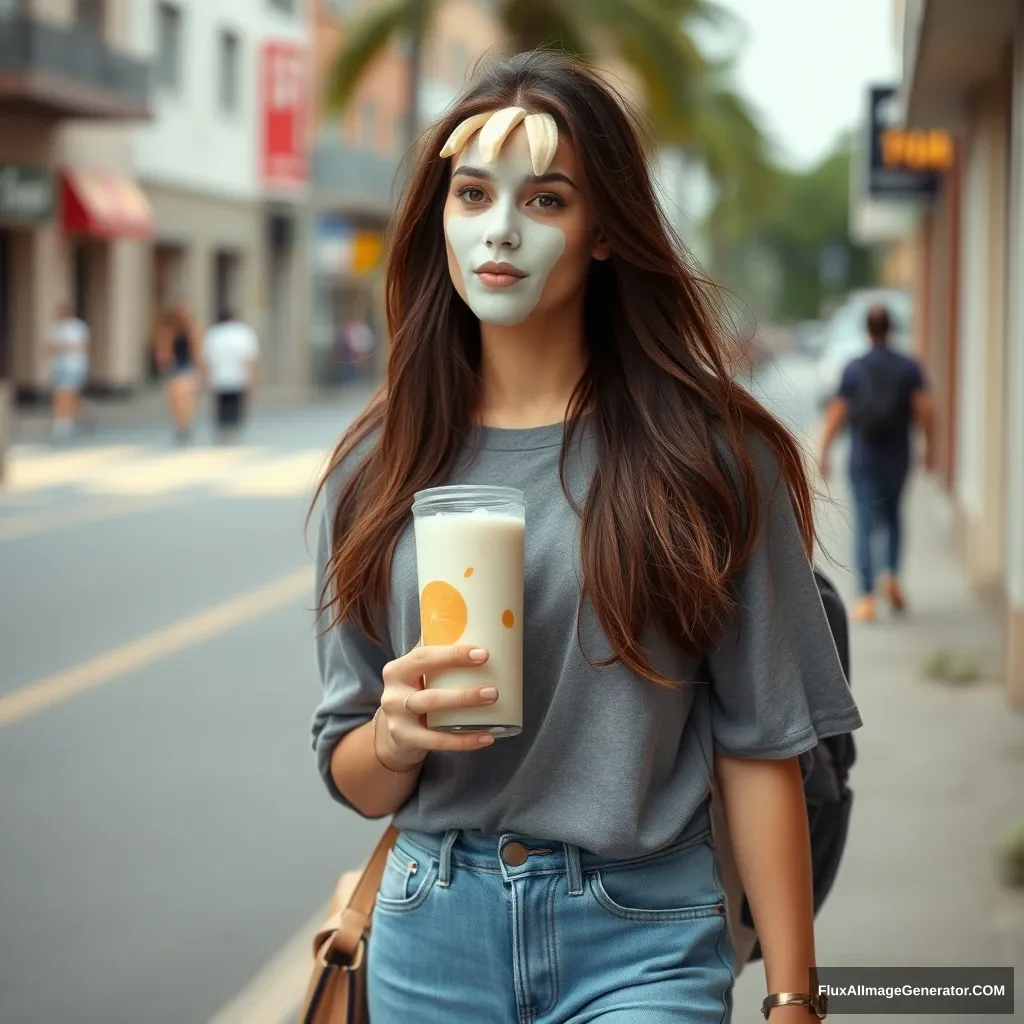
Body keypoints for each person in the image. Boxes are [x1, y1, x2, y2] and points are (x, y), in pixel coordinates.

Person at [311, 52, 861, 1024]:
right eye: (472, 193)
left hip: (644, 932)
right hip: (430, 929)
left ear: (604, 230)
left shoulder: (710, 453)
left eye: (547, 200)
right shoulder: (380, 465)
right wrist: (393, 736)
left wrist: (792, 994)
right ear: (440, 215)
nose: (500, 230)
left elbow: (760, 743)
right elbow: (349, 768)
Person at [818, 303, 934, 623]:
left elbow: (837, 413)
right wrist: (930, 446)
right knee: (894, 516)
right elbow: (925, 408)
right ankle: (893, 575)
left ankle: (868, 597)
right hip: (898, 455)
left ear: (867, 330)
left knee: (865, 524)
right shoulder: (909, 366)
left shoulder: (854, 368)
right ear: (891, 329)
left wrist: (824, 452)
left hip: (863, 456)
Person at [201, 308, 258, 441]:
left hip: (218, 377)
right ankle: (234, 430)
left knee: (222, 405)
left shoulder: (213, 333)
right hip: (238, 377)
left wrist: (206, 378)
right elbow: (248, 359)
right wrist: (251, 378)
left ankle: (223, 430)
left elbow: (206, 359)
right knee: (236, 404)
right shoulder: (243, 333)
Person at [154, 301, 200, 443]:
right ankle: (180, 423)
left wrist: (200, 369)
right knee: (174, 398)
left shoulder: (192, 328)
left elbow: (197, 349)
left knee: (185, 395)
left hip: (187, 366)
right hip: (173, 367)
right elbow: (161, 349)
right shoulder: (167, 329)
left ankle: (185, 423)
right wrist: (163, 364)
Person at [47, 300, 89, 442]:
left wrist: (62, 347)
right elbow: (49, 347)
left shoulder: (78, 327)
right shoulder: (55, 328)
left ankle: (68, 422)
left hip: (73, 366)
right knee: (59, 395)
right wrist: (62, 347)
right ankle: (60, 421)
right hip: (58, 366)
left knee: (69, 394)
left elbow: (79, 346)